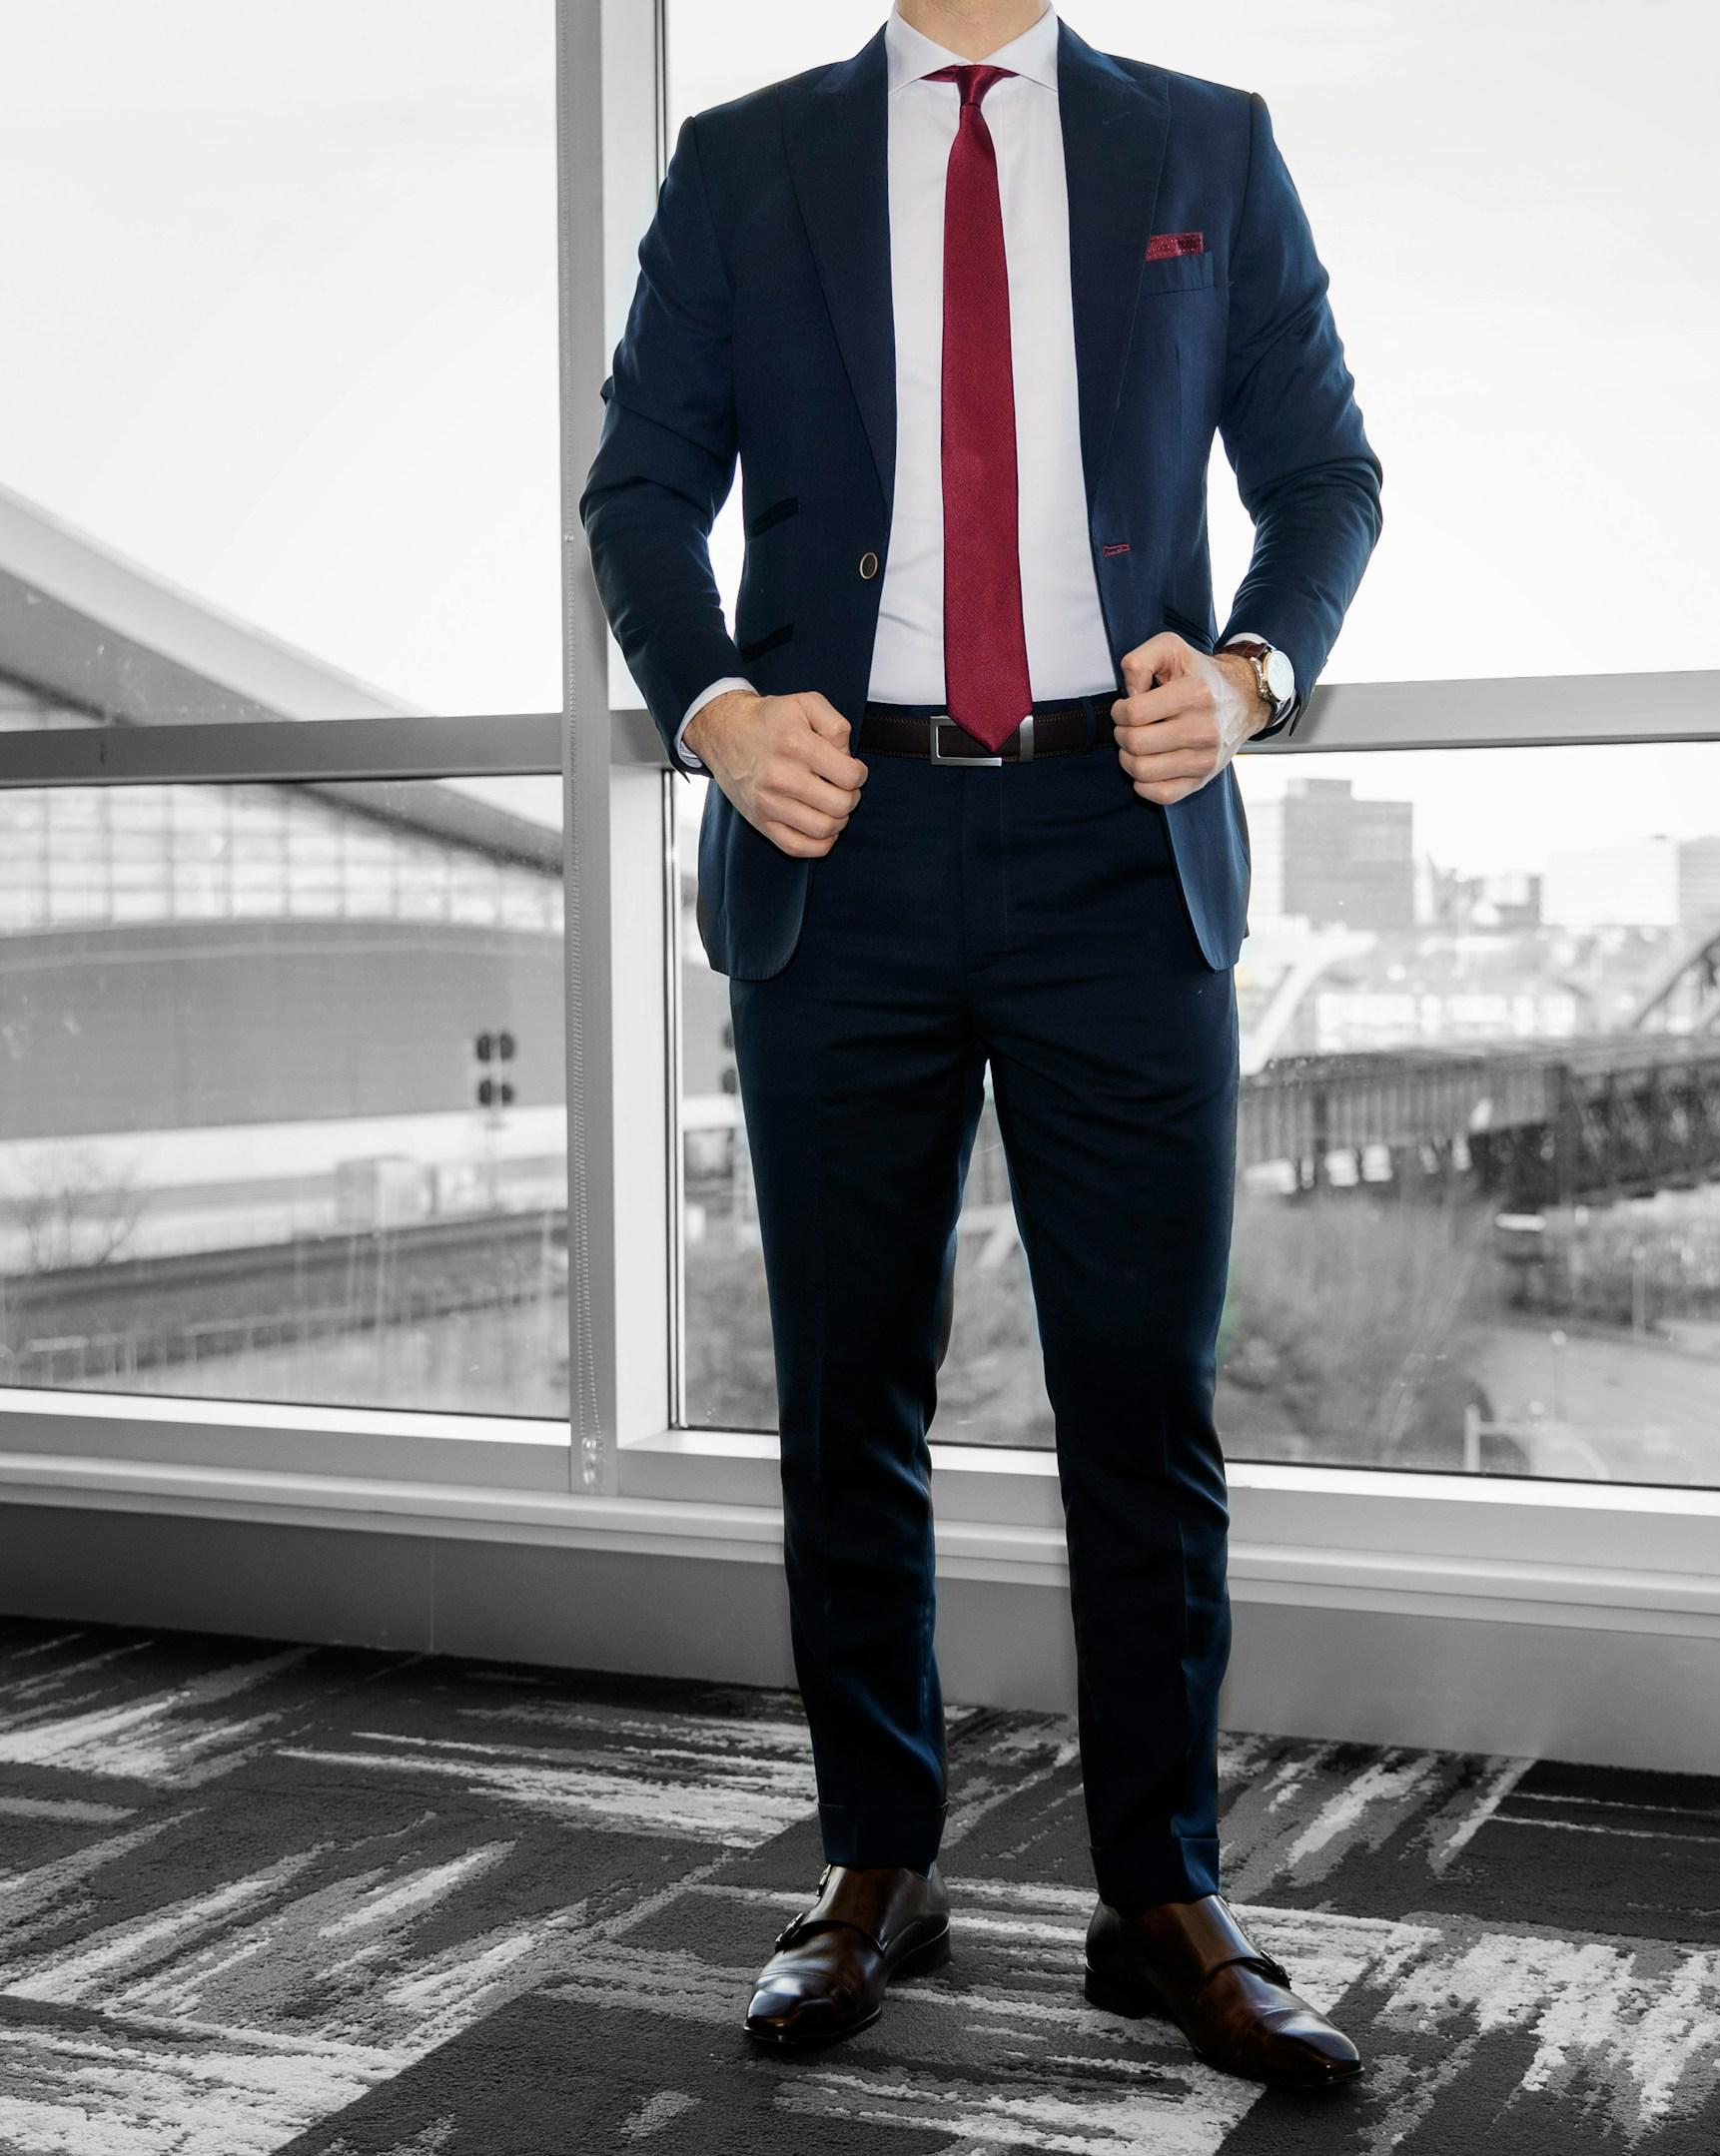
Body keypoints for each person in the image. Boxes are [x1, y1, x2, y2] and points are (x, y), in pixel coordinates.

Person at [580, 0, 1379, 2089]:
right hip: (836, 831)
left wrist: (1253, 676)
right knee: (851, 1386)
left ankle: (1162, 1895)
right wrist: (715, 715)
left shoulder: (1205, 145)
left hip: (1122, 834)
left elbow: (1324, 473)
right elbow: (642, 488)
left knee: (1142, 1392)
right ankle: (877, 1862)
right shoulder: (744, 160)